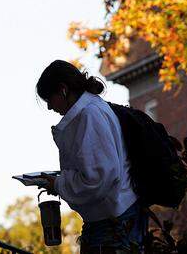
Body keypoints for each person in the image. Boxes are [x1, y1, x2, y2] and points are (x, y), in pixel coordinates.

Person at [36, 60, 146, 253]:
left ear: (63, 90)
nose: (50, 108)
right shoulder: (92, 110)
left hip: (113, 221)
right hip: (113, 218)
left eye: (49, 99)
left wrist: (59, 184)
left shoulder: (89, 115)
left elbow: (97, 177)